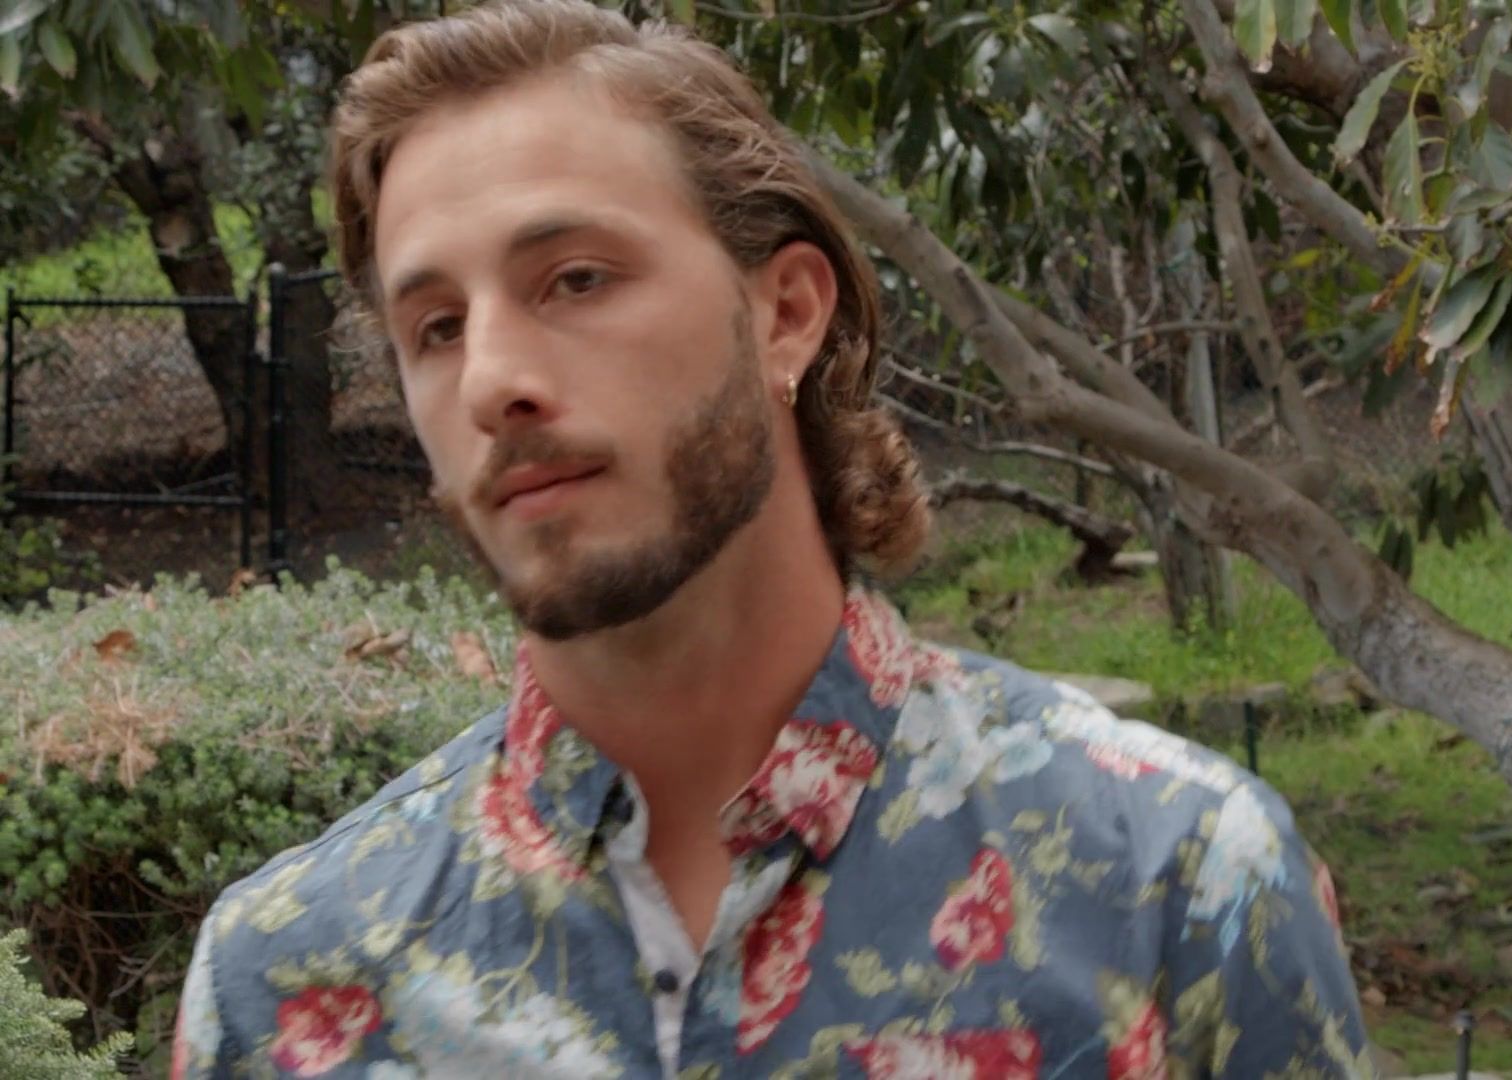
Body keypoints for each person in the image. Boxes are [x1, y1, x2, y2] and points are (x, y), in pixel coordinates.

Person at [169, 2, 1372, 1075]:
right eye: (434, 327)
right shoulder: (287, 981)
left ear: (786, 312)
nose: (489, 381)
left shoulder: (1175, 888)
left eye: (575, 279)